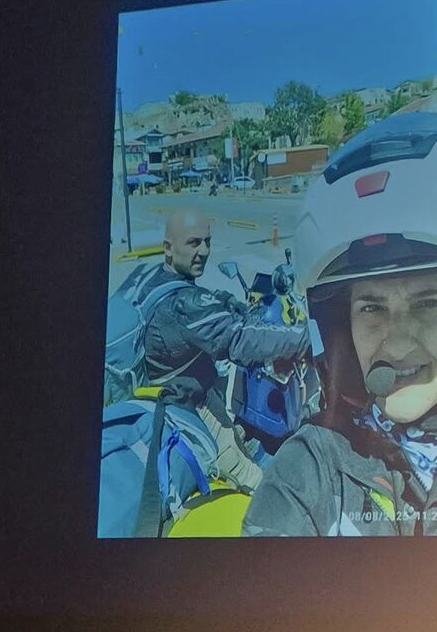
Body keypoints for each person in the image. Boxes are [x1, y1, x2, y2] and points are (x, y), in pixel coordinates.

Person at [242, 114, 437, 536]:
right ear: (340, 329)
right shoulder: (310, 471)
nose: (395, 343)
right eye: (371, 308)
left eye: (429, 303)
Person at [132, 208, 310, 491]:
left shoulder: (155, 282)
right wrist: (307, 339)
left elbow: (196, 312)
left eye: (207, 242)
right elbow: (240, 340)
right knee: (256, 485)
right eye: (194, 243)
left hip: (176, 393)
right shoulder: (184, 305)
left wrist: (224, 300)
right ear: (168, 248)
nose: (203, 251)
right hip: (190, 407)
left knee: (237, 439)